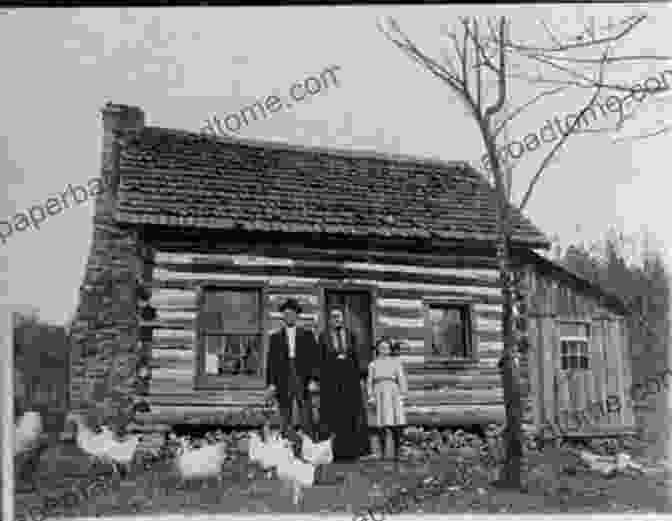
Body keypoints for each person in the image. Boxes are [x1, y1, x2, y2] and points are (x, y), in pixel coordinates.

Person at [317, 306, 370, 461]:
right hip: (331, 382)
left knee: (350, 415)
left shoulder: (351, 335)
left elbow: (357, 357)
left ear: (342, 319)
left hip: (350, 380)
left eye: (338, 317)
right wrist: (319, 379)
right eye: (333, 317)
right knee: (333, 415)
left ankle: (352, 452)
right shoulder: (323, 336)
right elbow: (319, 359)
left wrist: (361, 377)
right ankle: (334, 452)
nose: (336, 320)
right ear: (329, 320)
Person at [265, 298, 320, 439]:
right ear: (283, 317)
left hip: (302, 374)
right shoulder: (275, 337)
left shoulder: (307, 335)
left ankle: (308, 442)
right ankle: (286, 444)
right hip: (283, 375)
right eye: (286, 314)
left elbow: (314, 359)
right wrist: (271, 384)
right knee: (285, 410)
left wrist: (313, 379)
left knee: (305, 410)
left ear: (297, 316)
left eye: (292, 314)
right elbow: (271, 362)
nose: (289, 317)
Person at [367, 338, 408, 460]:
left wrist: (402, 394)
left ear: (390, 350)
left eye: (386, 348)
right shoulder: (373, 364)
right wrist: (371, 396)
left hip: (393, 393)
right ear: (377, 350)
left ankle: (397, 452)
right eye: (381, 348)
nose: (384, 350)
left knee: (396, 423)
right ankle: (383, 452)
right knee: (381, 424)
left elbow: (401, 379)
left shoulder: (396, 363)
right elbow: (370, 382)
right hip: (379, 392)